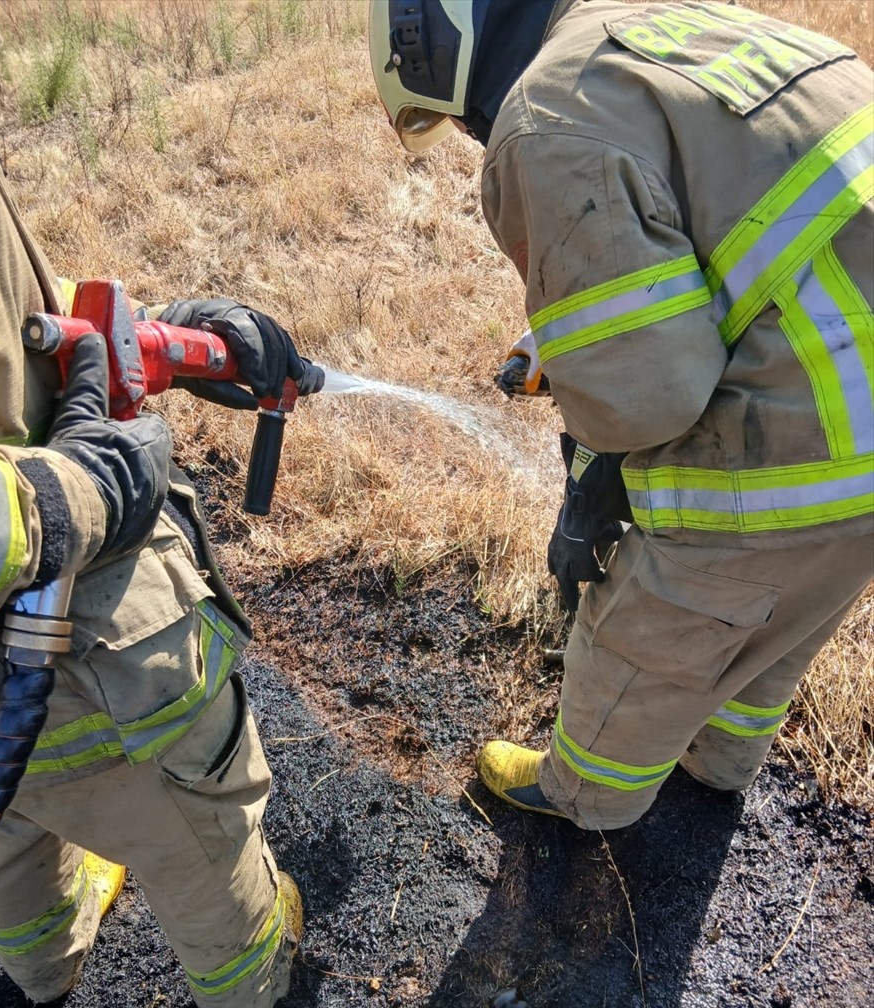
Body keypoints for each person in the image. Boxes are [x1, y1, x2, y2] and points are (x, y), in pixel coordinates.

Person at [368, 0, 874, 829]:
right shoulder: (676, 28)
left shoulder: (545, 112)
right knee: (792, 606)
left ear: (440, 53)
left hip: (807, 440)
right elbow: (736, 233)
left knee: (651, 630)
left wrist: (597, 464)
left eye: (455, 122)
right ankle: (722, 760)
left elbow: (647, 401)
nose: (469, 134)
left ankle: (586, 795)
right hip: (856, 422)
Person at [0, 3, 314, 1008]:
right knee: (191, 828)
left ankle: (45, 963)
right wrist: (74, 491)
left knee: (6, 835)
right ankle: (249, 995)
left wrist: (157, 341)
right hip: (67, 636)